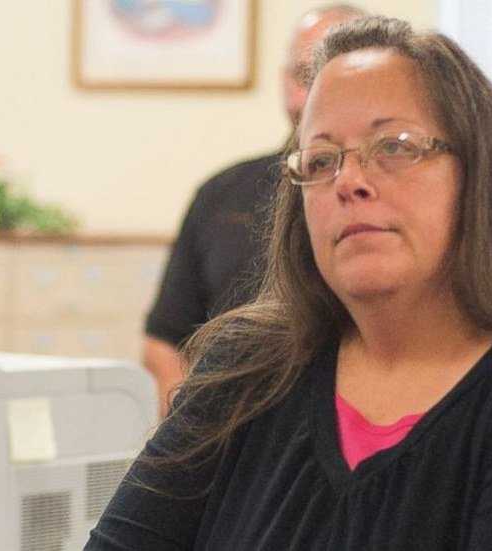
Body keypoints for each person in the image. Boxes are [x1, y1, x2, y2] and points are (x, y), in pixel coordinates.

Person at [88, 16, 492, 550]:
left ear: (479, 175)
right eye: (321, 160)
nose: (349, 181)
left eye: (395, 147)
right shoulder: (244, 369)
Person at [143, 4, 366, 418]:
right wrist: (191, 436)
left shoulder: (388, 198)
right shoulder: (221, 194)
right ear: (284, 82)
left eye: (338, 77)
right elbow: (165, 341)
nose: (319, 95)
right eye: (306, 76)